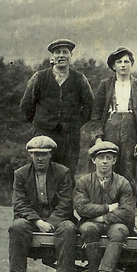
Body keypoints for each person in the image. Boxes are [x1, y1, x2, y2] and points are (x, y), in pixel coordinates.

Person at [7, 136, 78, 272]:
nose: (40, 158)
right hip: (33, 221)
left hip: (58, 220)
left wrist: (50, 223)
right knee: (17, 226)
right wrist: (38, 222)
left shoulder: (63, 172)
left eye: (44, 154)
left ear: (50, 155)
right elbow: (19, 203)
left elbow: (66, 203)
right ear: (31, 155)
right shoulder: (21, 174)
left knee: (68, 228)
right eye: (36, 154)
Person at [20, 39, 94, 177]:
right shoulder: (39, 77)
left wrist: (75, 123)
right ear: (52, 57)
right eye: (57, 52)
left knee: (67, 173)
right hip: (43, 134)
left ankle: (65, 200)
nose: (61, 55)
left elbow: (90, 106)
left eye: (65, 52)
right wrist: (40, 123)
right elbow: (26, 105)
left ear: (70, 55)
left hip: (69, 137)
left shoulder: (80, 79)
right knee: (42, 173)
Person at [74, 141, 136, 272]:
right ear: (94, 160)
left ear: (114, 160)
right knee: (88, 229)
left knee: (120, 231)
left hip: (115, 225)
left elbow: (127, 212)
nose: (105, 161)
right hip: (91, 224)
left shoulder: (123, 183)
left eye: (109, 157)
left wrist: (100, 218)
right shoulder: (84, 182)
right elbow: (81, 208)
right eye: (101, 157)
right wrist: (108, 208)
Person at [90, 46, 137, 193]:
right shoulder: (105, 85)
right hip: (109, 131)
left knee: (128, 170)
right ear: (113, 66)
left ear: (132, 64)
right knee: (107, 168)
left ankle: (127, 209)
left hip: (131, 133)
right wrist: (98, 138)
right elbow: (96, 115)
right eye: (119, 62)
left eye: (127, 61)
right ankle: (105, 206)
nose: (123, 65)